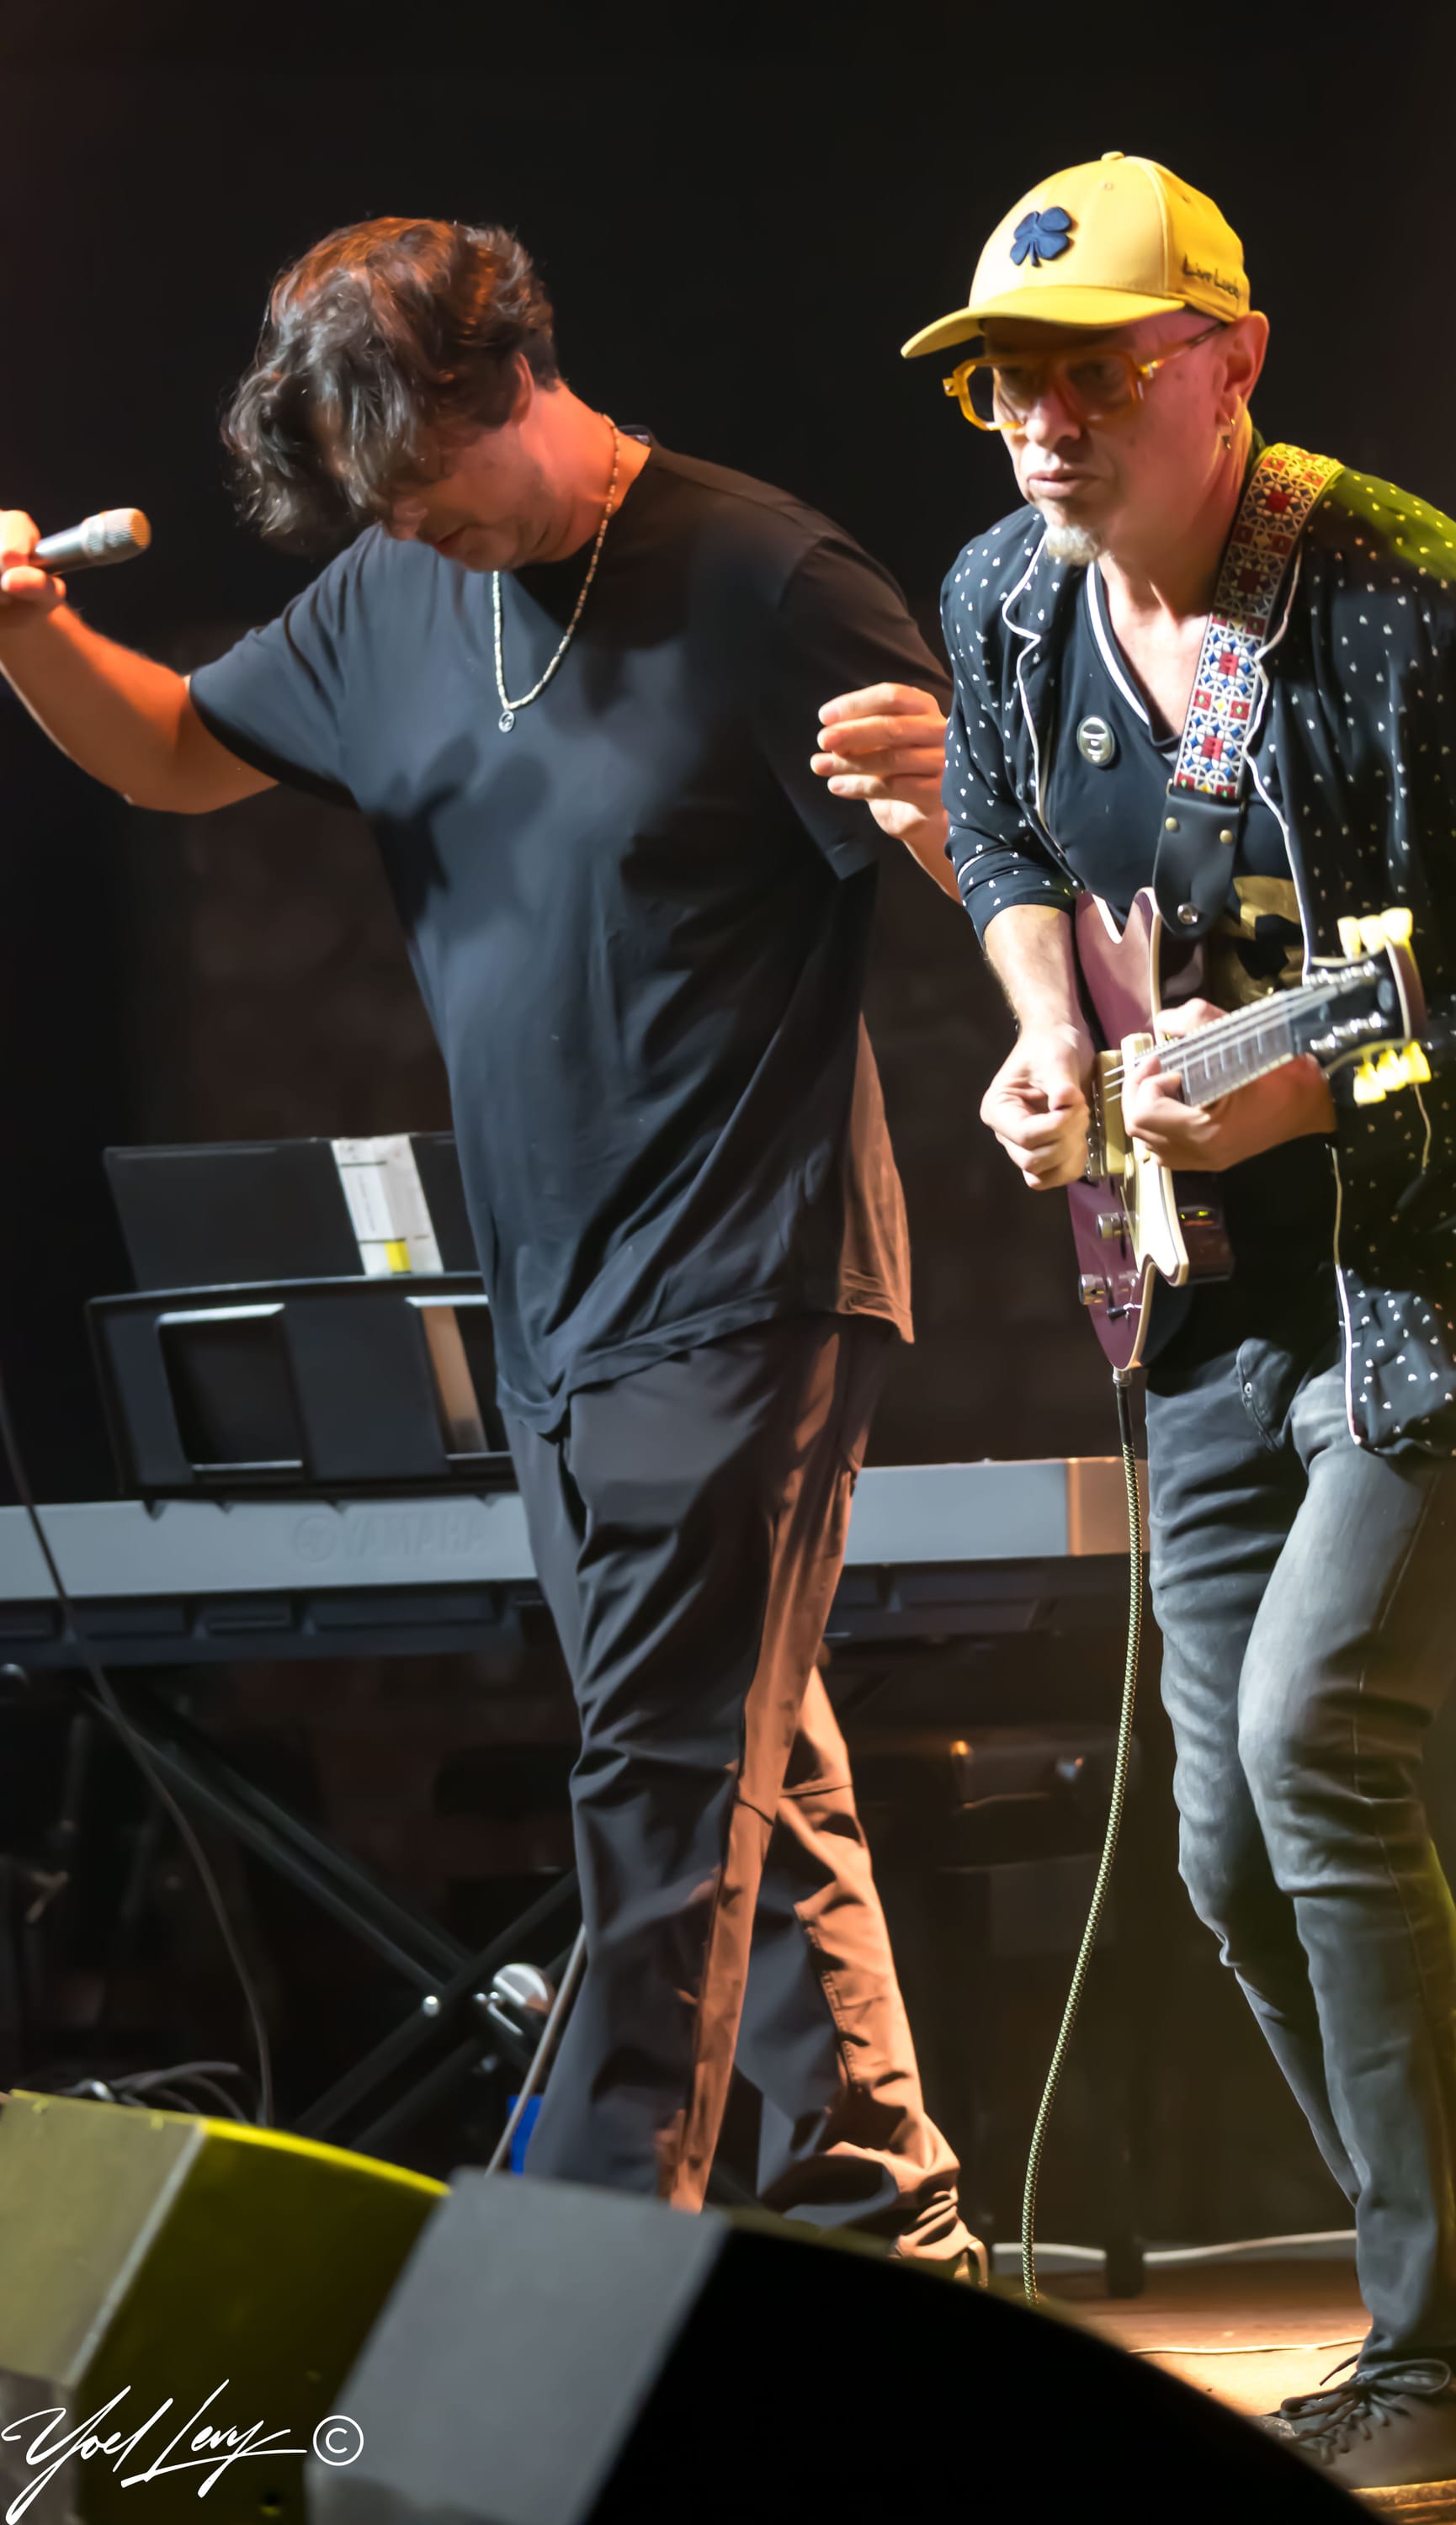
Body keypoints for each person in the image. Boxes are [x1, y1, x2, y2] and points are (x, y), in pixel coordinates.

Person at [0, 216, 983, 2273]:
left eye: (421, 484)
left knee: (658, 1774)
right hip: (551, 1294)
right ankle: (883, 2209)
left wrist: (972, 810)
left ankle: (579, 2278)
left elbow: (1002, 869)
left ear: (513, 376)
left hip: (748, 1265)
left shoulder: (765, 579)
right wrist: (20, 634)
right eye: (372, 508)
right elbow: (174, 752)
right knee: (750, 1765)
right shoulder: (395, 584)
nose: (407, 532)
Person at [906, 149, 1456, 2513]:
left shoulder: (1417, 615)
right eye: (1006, 385)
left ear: (1230, 363)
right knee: (1229, 1841)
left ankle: (1447, 2352)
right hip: (1208, 1284)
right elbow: (1002, 834)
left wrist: (1324, 1089)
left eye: (1094, 375)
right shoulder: (1007, 596)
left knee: (1315, 1743)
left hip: (1453, 1266)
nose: (1044, 425)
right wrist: (1045, 1029)